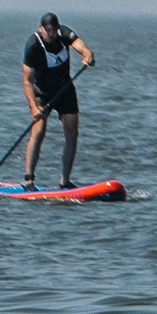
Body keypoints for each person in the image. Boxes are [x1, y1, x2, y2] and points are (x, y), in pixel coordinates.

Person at [21, 12, 97, 188]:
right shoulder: (33, 45)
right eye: (49, 31)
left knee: (72, 131)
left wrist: (88, 55)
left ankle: (65, 181)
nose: (52, 34)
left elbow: (82, 47)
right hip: (42, 92)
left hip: (64, 89)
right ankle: (29, 179)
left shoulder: (64, 34)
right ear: (41, 29)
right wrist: (33, 108)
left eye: (54, 30)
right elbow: (27, 81)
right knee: (39, 130)